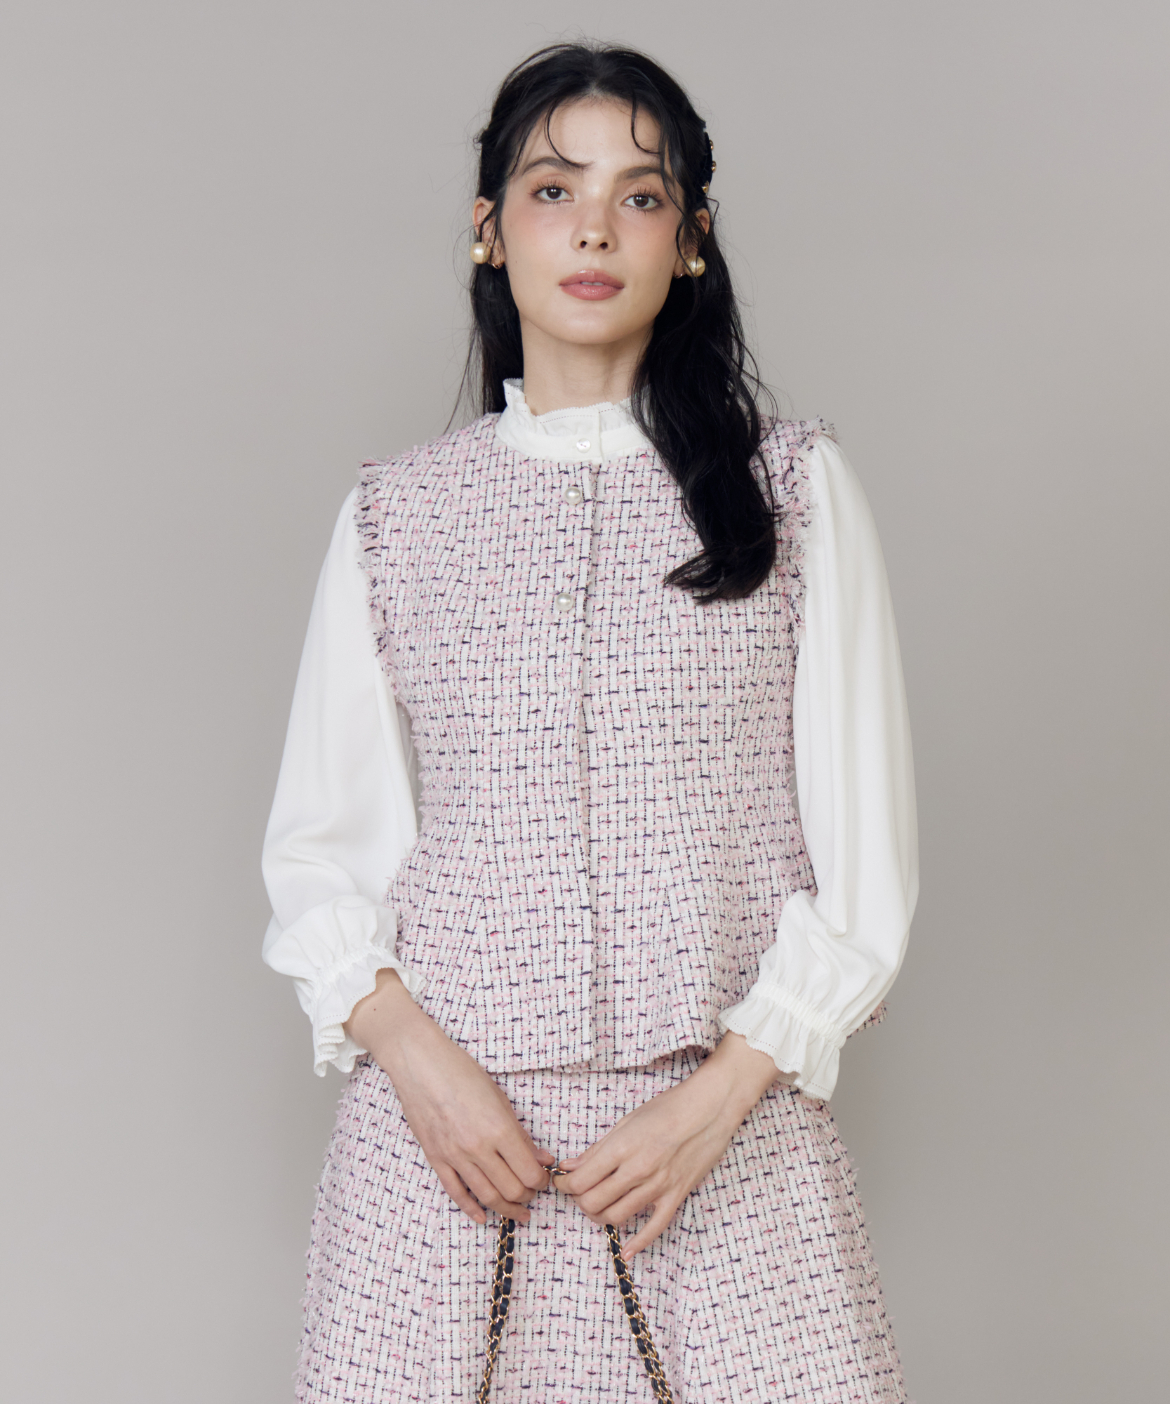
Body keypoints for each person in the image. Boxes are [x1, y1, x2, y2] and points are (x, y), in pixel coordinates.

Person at [261, 40, 918, 1404]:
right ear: (490, 230)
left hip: (721, 1142)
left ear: (690, 240)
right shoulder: (395, 516)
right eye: (554, 190)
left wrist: (716, 1101)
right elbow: (320, 854)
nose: (596, 229)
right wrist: (421, 1071)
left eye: (641, 194)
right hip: (448, 1155)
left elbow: (864, 873)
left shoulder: (792, 494)